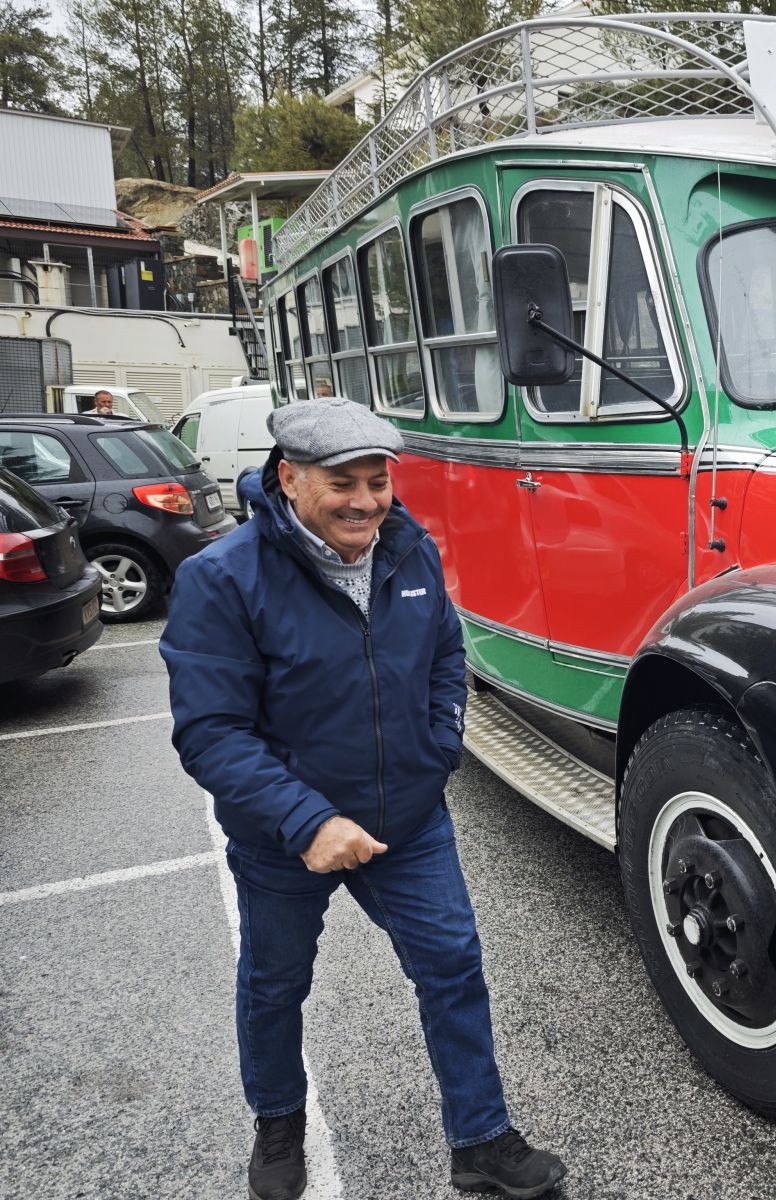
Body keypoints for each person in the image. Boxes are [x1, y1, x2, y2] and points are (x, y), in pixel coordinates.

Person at [159, 398, 565, 1200]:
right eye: (341, 482)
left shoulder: (408, 550)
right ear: (289, 479)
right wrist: (307, 819)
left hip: (409, 821)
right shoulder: (221, 578)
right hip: (285, 837)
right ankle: (278, 1127)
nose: (365, 501)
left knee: (452, 969)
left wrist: (439, 746)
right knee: (275, 985)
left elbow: (447, 655)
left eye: (377, 481)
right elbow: (210, 731)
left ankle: (481, 1141)